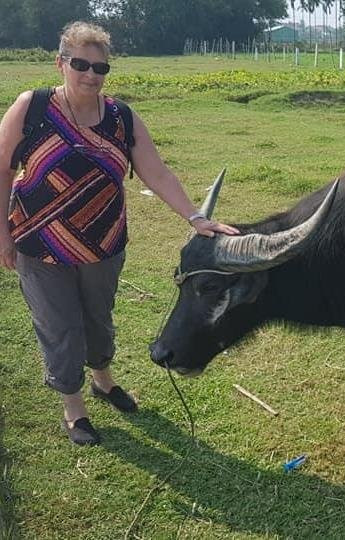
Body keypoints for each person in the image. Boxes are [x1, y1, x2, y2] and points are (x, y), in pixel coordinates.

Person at [0, 21, 239, 445]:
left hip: (104, 244)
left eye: (100, 67)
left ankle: (103, 380)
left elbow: (157, 173)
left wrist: (194, 218)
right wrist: (2, 233)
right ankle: (73, 408)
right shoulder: (32, 107)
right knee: (60, 326)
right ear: (60, 64)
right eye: (80, 64)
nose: (90, 75)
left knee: (99, 318)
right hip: (40, 244)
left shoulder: (121, 117)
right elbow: (2, 169)